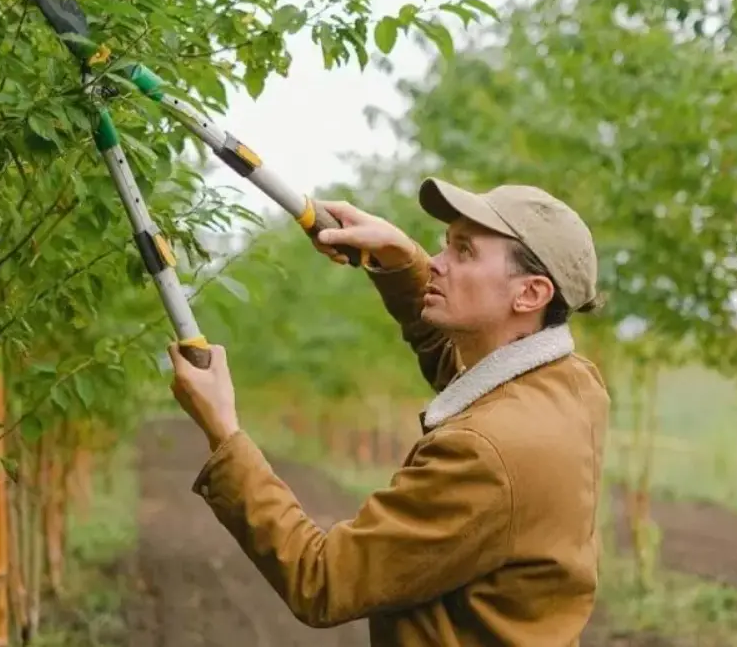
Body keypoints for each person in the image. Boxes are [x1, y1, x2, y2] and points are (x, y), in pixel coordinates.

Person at [167, 176, 610, 646]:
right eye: (445, 245)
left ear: (531, 294)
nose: (438, 263)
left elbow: (322, 580)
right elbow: (467, 370)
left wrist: (224, 431)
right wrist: (401, 261)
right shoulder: (573, 384)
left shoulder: (486, 454)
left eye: (464, 252)